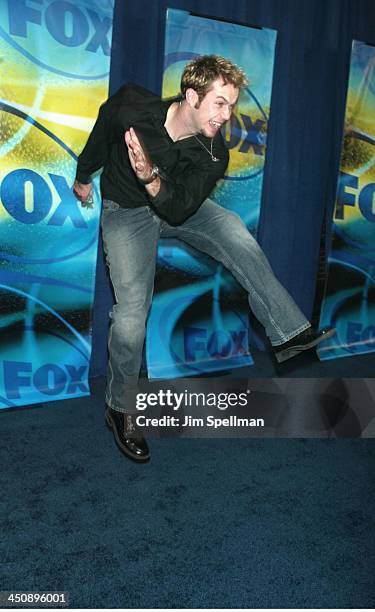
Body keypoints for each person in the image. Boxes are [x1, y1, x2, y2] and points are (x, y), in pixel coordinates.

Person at [73, 55, 334, 463]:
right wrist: (84, 176)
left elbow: (177, 209)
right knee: (130, 314)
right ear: (192, 96)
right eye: (219, 103)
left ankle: (288, 330)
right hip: (126, 212)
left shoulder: (215, 153)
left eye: (231, 105)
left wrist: (150, 178)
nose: (226, 115)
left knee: (231, 228)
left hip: (173, 202)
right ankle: (120, 408)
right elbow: (103, 128)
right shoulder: (133, 107)